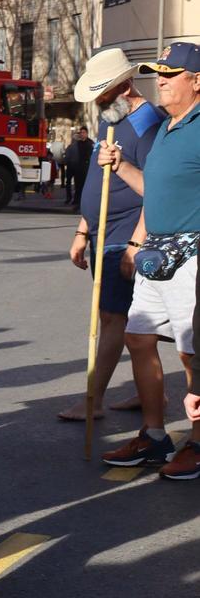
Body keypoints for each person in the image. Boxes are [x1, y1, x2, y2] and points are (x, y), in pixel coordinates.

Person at [102, 41, 200, 478]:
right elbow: (153, 192)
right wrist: (121, 165)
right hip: (156, 254)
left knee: (192, 353)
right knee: (138, 338)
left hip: (192, 256)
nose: (159, 80)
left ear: (196, 81)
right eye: (157, 73)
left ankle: (197, 445)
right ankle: (155, 436)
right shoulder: (166, 128)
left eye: (170, 73)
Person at [57, 47, 161, 423]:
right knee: (124, 320)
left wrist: (136, 243)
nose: (99, 101)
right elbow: (95, 178)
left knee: (114, 318)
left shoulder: (149, 125)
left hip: (124, 235)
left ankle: (93, 400)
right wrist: (82, 230)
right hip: (102, 231)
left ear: (125, 86)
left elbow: (158, 190)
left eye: (103, 93)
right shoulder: (111, 119)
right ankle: (146, 391)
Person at [61, 126, 94, 210]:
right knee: (77, 185)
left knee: (82, 185)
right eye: (81, 133)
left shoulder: (90, 143)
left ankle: (80, 201)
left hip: (84, 168)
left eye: (83, 133)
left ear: (86, 133)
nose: (82, 135)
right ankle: (76, 200)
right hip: (76, 168)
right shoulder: (77, 144)